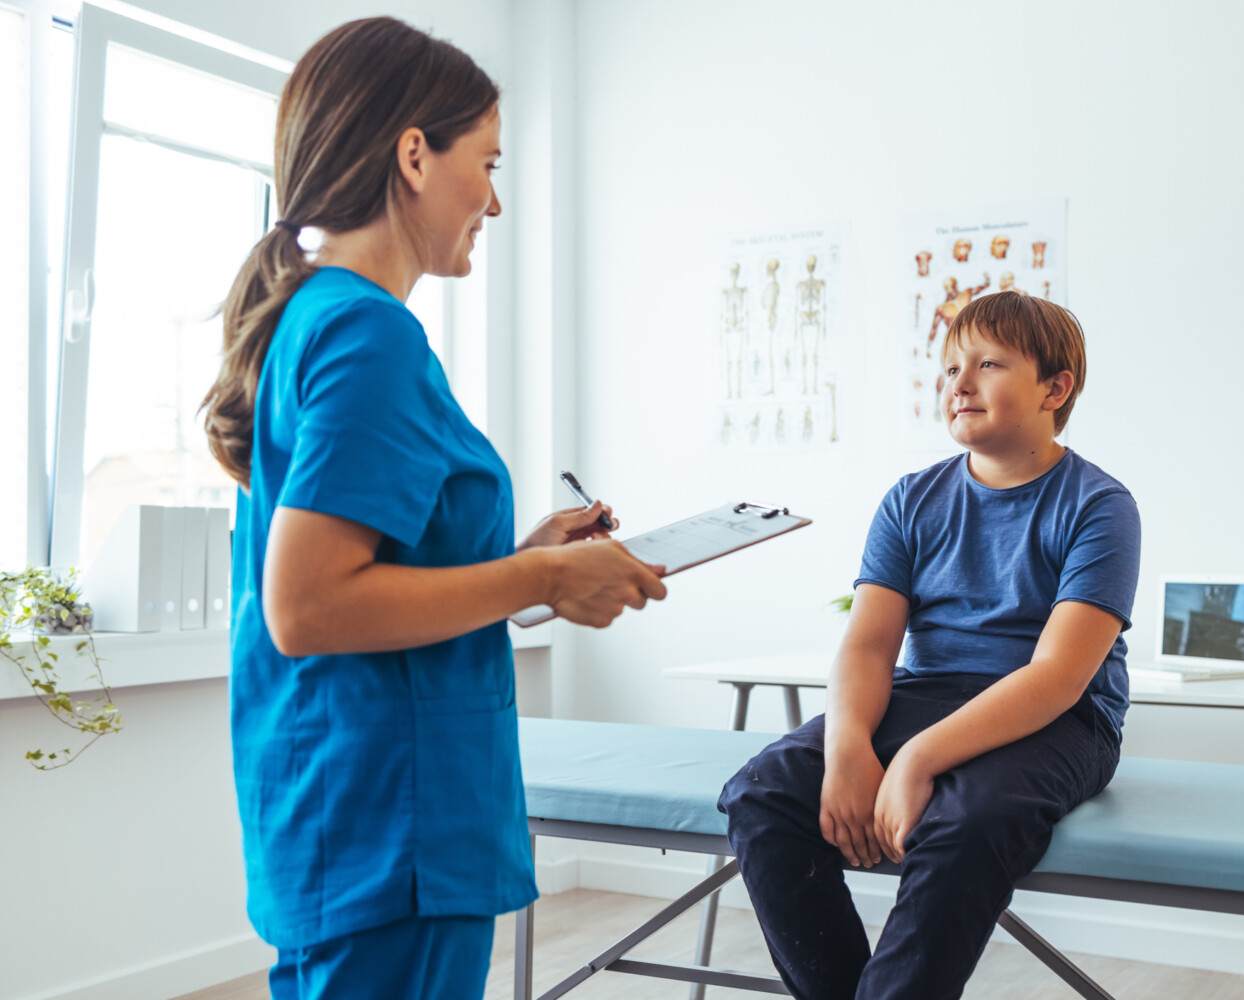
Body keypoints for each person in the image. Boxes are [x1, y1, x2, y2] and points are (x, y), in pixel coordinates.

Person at [199, 18, 667, 999]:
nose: (493, 199)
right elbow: (309, 606)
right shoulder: (370, 336)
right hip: (388, 828)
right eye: (486, 163)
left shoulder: (318, 322)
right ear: (414, 153)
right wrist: (541, 574)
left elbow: (376, 570)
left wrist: (531, 551)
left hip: (356, 815)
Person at [719, 291, 1141, 1000]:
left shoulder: (1100, 506)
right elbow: (867, 648)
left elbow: (1059, 677)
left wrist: (915, 756)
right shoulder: (910, 500)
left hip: (1061, 719)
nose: (959, 384)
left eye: (988, 364)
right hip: (929, 695)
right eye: (949, 369)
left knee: (965, 823)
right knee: (761, 797)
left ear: (1055, 388)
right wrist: (851, 744)